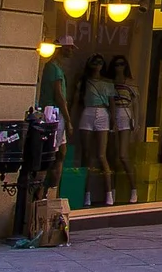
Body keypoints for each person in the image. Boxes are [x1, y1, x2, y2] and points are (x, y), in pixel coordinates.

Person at [73, 53, 115, 206]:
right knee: (87, 154)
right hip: (88, 111)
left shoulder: (107, 83)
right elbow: (76, 100)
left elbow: (112, 104)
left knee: (101, 155)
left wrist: (114, 121)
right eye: (94, 62)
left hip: (102, 112)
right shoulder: (83, 82)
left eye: (100, 62)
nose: (97, 64)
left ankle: (109, 192)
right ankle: (86, 193)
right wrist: (70, 120)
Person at [37, 36, 75, 197]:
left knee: (61, 153)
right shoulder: (53, 68)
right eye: (70, 47)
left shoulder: (55, 67)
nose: (72, 51)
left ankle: (50, 190)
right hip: (53, 113)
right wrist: (68, 119)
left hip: (54, 112)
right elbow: (58, 95)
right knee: (53, 153)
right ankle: (43, 190)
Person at [106, 55, 139, 204]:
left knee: (123, 155)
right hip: (112, 116)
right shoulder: (110, 84)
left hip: (125, 115)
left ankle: (134, 188)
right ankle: (112, 190)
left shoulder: (130, 84)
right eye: (116, 64)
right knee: (112, 156)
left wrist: (136, 122)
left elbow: (136, 104)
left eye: (122, 64)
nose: (119, 67)